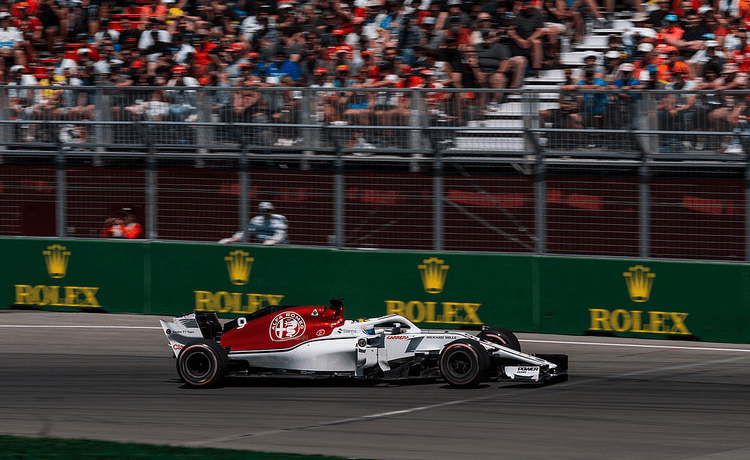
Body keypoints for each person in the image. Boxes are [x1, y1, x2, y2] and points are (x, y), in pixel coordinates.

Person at [219, 202, 288, 245]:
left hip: (278, 246)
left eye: (268, 210)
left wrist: (274, 241)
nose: (266, 213)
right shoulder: (256, 220)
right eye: (264, 211)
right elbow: (246, 232)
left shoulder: (279, 219)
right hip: (261, 245)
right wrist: (233, 239)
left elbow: (281, 233)